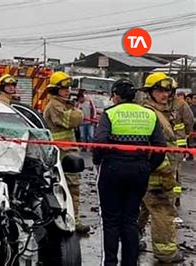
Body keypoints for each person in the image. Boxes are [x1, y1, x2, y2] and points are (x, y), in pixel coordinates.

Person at [92, 79, 166, 266]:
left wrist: (97, 161)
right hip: (140, 170)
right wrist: (149, 167)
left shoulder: (110, 113)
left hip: (113, 169)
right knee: (130, 220)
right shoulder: (149, 114)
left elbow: (99, 142)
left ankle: (110, 263)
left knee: (110, 221)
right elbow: (160, 146)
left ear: (116, 96)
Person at [138, 72, 185, 263]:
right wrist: (165, 168)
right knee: (163, 212)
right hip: (158, 174)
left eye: (168, 91)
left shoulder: (165, 111)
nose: (165, 94)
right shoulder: (149, 113)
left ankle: (132, 239)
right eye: (160, 90)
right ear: (149, 92)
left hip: (162, 172)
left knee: (142, 209)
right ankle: (166, 253)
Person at [43, 71, 90, 234]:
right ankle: (70, 220)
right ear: (56, 90)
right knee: (70, 187)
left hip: (67, 151)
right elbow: (72, 120)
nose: (68, 91)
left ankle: (70, 219)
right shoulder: (55, 105)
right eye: (64, 88)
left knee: (71, 188)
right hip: (63, 153)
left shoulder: (62, 103)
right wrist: (79, 112)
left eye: (68, 87)